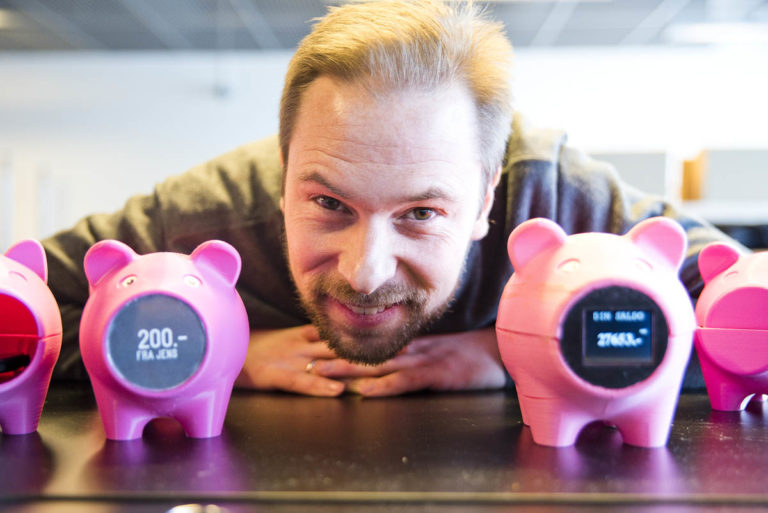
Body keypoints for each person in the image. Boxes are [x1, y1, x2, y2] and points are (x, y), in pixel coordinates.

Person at [42, 0, 736, 397]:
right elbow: (19, 313)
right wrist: (219, 351)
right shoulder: (211, 210)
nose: (365, 273)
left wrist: (522, 352)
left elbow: (744, 318)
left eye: (421, 214)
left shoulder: (556, 197)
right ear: (282, 175)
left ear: (486, 197)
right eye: (329, 204)